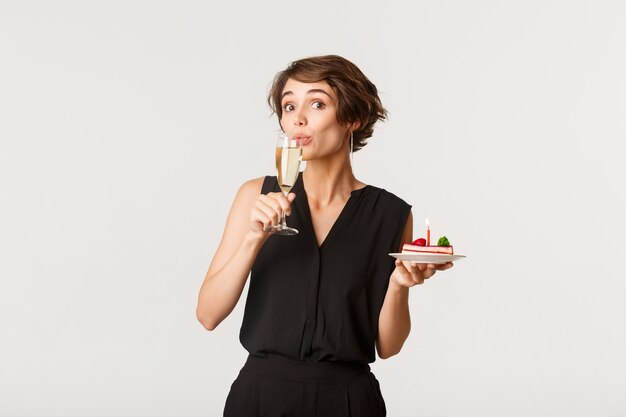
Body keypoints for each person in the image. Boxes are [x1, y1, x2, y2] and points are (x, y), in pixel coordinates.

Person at [196, 54, 454, 417]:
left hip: (349, 401)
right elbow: (207, 315)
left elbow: (389, 346)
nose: (298, 118)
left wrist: (399, 285)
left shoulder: (391, 214)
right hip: (260, 398)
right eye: (289, 105)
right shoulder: (255, 196)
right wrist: (254, 239)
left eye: (317, 103)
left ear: (352, 118)